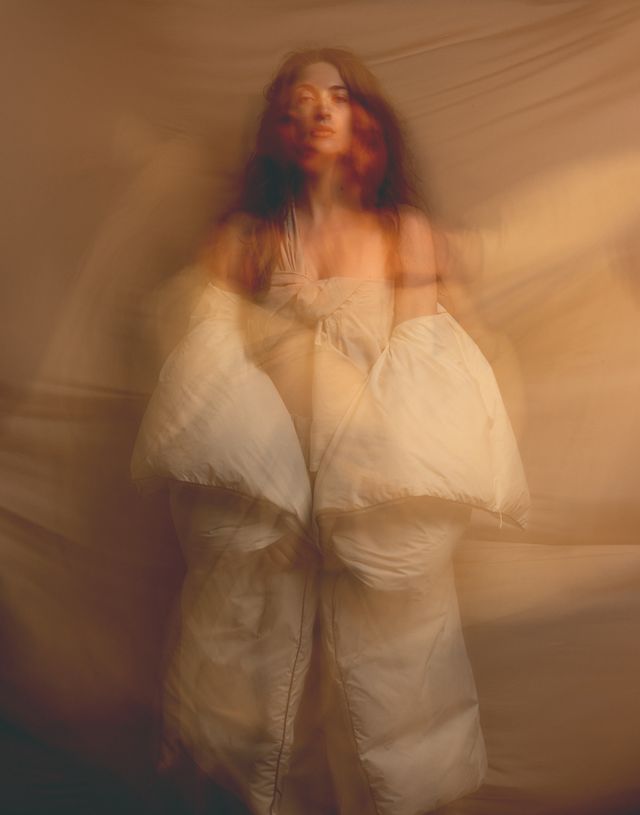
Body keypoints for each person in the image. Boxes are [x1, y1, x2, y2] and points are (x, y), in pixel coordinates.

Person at [131, 47, 529, 815]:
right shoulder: (249, 241)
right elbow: (204, 372)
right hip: (275, 505)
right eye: (300, 99)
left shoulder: (404, 235)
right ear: (279, 127)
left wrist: (365, 492)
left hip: (368, 500)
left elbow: (424, 376)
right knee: (258, 679)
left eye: (337, 97)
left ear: (364, 122)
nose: (317, 110)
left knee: (388, 684)